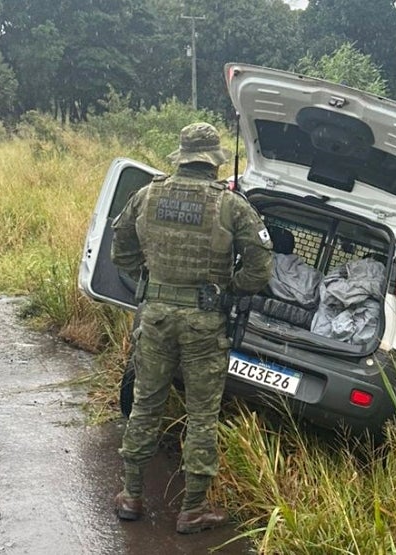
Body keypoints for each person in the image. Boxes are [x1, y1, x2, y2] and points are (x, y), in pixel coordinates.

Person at [110, 122, 273, 534]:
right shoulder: (232, 206)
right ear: (213, 161)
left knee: (146, 403)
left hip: (156, 317)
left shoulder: (147, 195)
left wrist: (149, 281)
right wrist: (229, 289)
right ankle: (193, 509)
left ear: (181, 157)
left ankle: (131, 494)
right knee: (202, 414)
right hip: (204, 323)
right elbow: (260, 267)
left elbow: (120, 249)